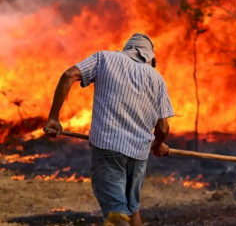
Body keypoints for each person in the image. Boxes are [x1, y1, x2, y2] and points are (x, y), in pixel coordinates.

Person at [43, 33, 174, 226]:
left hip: (108, 147)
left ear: (127, 49)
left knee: (116, 213)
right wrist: (158, 144)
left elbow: (69, 75)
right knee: (132, 210)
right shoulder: (157, 79)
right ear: (150, 57)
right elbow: (163, 127)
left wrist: (53, 117)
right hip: (138, 154)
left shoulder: (105, 58)